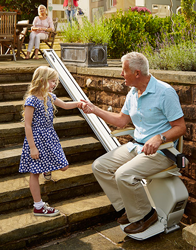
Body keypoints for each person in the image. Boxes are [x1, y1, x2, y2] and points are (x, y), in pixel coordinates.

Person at [80, 52, 186, 234]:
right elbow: (121, 120)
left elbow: (180, 127)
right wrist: (95, 109)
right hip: (137, 147)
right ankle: (126, 209)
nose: (121, 74)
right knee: (100, 166)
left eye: (124, 70)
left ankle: (145, 216)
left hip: (162, 152)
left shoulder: (164, 92)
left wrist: (159, 138)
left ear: (137, 73)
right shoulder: (133, 93)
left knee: (123, 175)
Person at [19, 66, 84, 217]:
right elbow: (27, 125)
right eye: (52, 81)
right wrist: (32, 148)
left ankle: (46, 168)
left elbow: (66, 105)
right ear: (42, 80)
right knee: (34, 173)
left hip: (50, 137)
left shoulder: (49, 96)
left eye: (56, 81)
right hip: (36, 139)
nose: (55, 84)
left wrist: (79, 103)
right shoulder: (32, 100)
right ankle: (38, 206)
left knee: (64, 166)